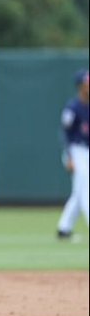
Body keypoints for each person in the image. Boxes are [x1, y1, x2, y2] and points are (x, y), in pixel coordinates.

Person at [57, 68, 89, 239]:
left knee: (79, 191)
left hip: (87, 152)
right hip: (77, 151)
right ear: (80, 86)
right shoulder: (73, 107)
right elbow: (65, 133)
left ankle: (64, 228)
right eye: (87, 84)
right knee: (86, 190)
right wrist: (69, 156)